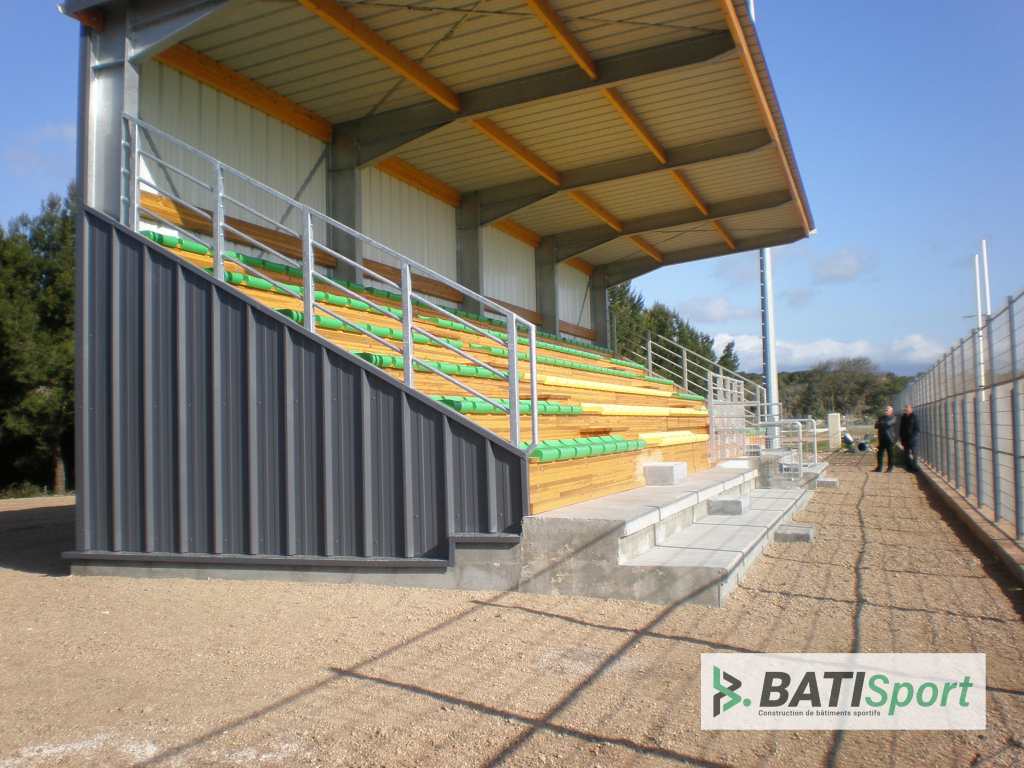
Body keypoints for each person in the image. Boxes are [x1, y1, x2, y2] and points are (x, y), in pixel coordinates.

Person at [873, 405, 898, 473]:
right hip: (882, 438)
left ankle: (890, 468)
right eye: (886, 408)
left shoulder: (893, 418)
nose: (886, 410)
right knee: (880, 453)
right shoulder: (881, 418)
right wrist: (883, 425)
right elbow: (876, 425)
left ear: (891, 411)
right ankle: (879, 468)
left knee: (890, 454)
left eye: (888, 409)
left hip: (889, 438)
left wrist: (882, 424)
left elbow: (888, 423)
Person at [900, 404, 920, 472]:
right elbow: (901, 428)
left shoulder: (914, 417)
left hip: (912, 439)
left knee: (914, 454)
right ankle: (909, 467)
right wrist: (901, 437)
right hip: (905, 438)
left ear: (911, 410)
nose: (906, 410)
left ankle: (915, 467)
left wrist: (912, 435)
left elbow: (917, 428)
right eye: (905, 409)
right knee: (907, 454)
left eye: (907, 409)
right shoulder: (903, 417)